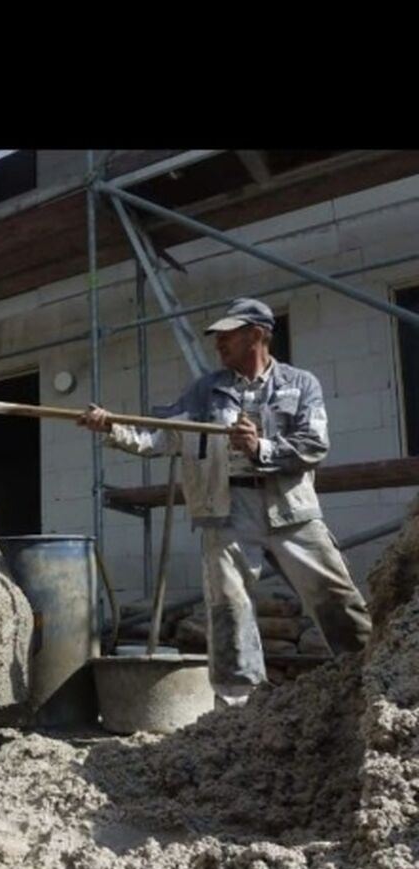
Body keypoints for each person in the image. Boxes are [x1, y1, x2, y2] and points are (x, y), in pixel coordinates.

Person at [85, 296, 373, 706]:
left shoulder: (300, 383)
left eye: (229, 336)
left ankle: (369, 675)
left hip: (290, 507)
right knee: (228, 605)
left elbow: (314, 445)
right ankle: (239, 704)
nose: (218, 344)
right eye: (217, 338)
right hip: (227, 508)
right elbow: (159, 437)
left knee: (334, 595)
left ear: (257, 335)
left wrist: (262, 449)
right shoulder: (206, 391)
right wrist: (111, 427)